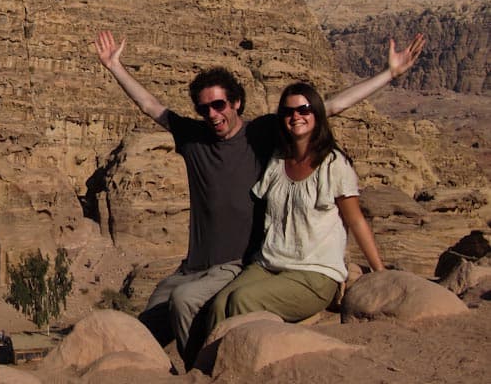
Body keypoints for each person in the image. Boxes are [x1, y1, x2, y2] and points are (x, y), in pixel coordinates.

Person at [93, 30, 425, 369]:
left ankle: (202, 371)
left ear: (236, 102)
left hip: (235, 263)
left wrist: (390, 74)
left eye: (219, 105)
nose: (212, 114)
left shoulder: (262, 134)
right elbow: (151, 106)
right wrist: (114, 66)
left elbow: (329, 106)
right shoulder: (193, 138)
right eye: (204, 108)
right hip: (191, 266)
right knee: (143, 330)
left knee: (186, 303)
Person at [205, 82, 384, 332]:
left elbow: (356, 221)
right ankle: (209, 365)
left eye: (304, 110)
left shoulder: (334, 164)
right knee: (219, 304)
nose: (296, 116)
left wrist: (380, 270)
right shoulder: (278, 160)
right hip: (270, 264)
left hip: (314, 273)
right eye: (289, 112)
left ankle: (238, 365)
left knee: (243, 301)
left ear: (317, 114)